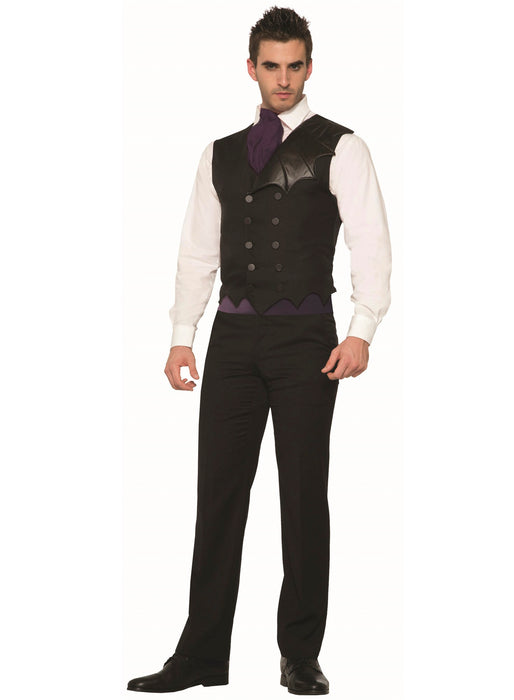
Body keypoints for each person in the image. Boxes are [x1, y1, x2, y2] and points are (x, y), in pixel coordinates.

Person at [127, 5, 392, 695]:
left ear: (309, 67)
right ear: (251, 68)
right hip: (233, 339)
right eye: (271, 66)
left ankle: (299, 654)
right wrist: (181, 337)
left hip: (309, 340)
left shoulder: (342, 147)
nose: (283, 79)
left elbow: (370, 241)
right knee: (218, 496)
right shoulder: (218, 153)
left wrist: (362, 327)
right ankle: (200, 655)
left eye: (294, 66)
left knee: (303, 496)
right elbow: (196, 252)